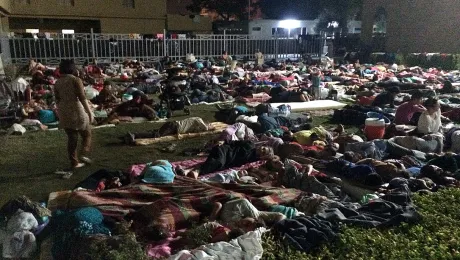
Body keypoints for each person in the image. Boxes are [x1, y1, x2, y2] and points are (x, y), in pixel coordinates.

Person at [54, 59, 94, 169]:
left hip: (64, 110)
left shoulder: (57, 82)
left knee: (72, 137)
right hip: (76, 109)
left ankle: (74, 162)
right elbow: (82, 97)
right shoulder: (76, 80)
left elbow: (57, 99)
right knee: (86, 133)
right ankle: (83, 154)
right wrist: (89, 112)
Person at [123, 117, 209, 144]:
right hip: (174, 126)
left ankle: (133, 134)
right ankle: (134, 135)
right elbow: (205, 128)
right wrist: (208, 127)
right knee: (156, 135)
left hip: (173, 126)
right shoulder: (199, 119)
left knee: (155, 132)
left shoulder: (194, 124)